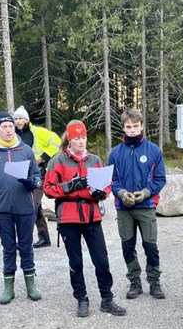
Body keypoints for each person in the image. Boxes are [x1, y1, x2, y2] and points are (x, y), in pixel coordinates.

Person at [44, 120, 127, 317]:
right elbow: (48, 190)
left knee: (102, 260)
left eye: (83, 137)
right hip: (68, 218)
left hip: (92, 216)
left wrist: (102, 193)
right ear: (69, 140)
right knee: (76, 262)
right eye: (77, 138)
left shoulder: (95, 160)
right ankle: (81, 299)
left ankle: (107, 298)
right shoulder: (57, 161)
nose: (81, 141)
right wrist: (68, 187)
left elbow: (107, 184)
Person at [0, 111, 42, 304]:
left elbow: (38, 176)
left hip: (25, 207)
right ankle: (9, 287)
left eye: (10, 126)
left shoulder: (25, 150)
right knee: (8, 248)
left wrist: (31, 182)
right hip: (1, 208)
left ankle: (30, 284)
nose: (8, 130)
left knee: (26, 246)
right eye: (3, 126)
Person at [109, 108, 167, 299]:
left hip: (146, 206)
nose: (132, 130)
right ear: (123, 128)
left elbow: (160, 179)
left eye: (135, 126)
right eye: (128, 127)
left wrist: (145, 193)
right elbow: (112, 179)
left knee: (150, 246)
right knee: (128, 246)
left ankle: (154, 282)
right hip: (124, 208)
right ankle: (134, 282)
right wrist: (121, 193)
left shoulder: (153, 151)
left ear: (142, 126)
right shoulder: (115, 153)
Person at [13, 106, 60, 248]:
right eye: (15, 119)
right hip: (22, 175)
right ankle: (44, 237)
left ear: (26, 120)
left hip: (39, 174)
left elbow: (56, 142)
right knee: (36, 206)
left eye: (20, 118)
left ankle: (23, 240)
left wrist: (42, 158)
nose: (18, 121)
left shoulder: (38, 132)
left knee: (31, 205)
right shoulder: (13, 134)